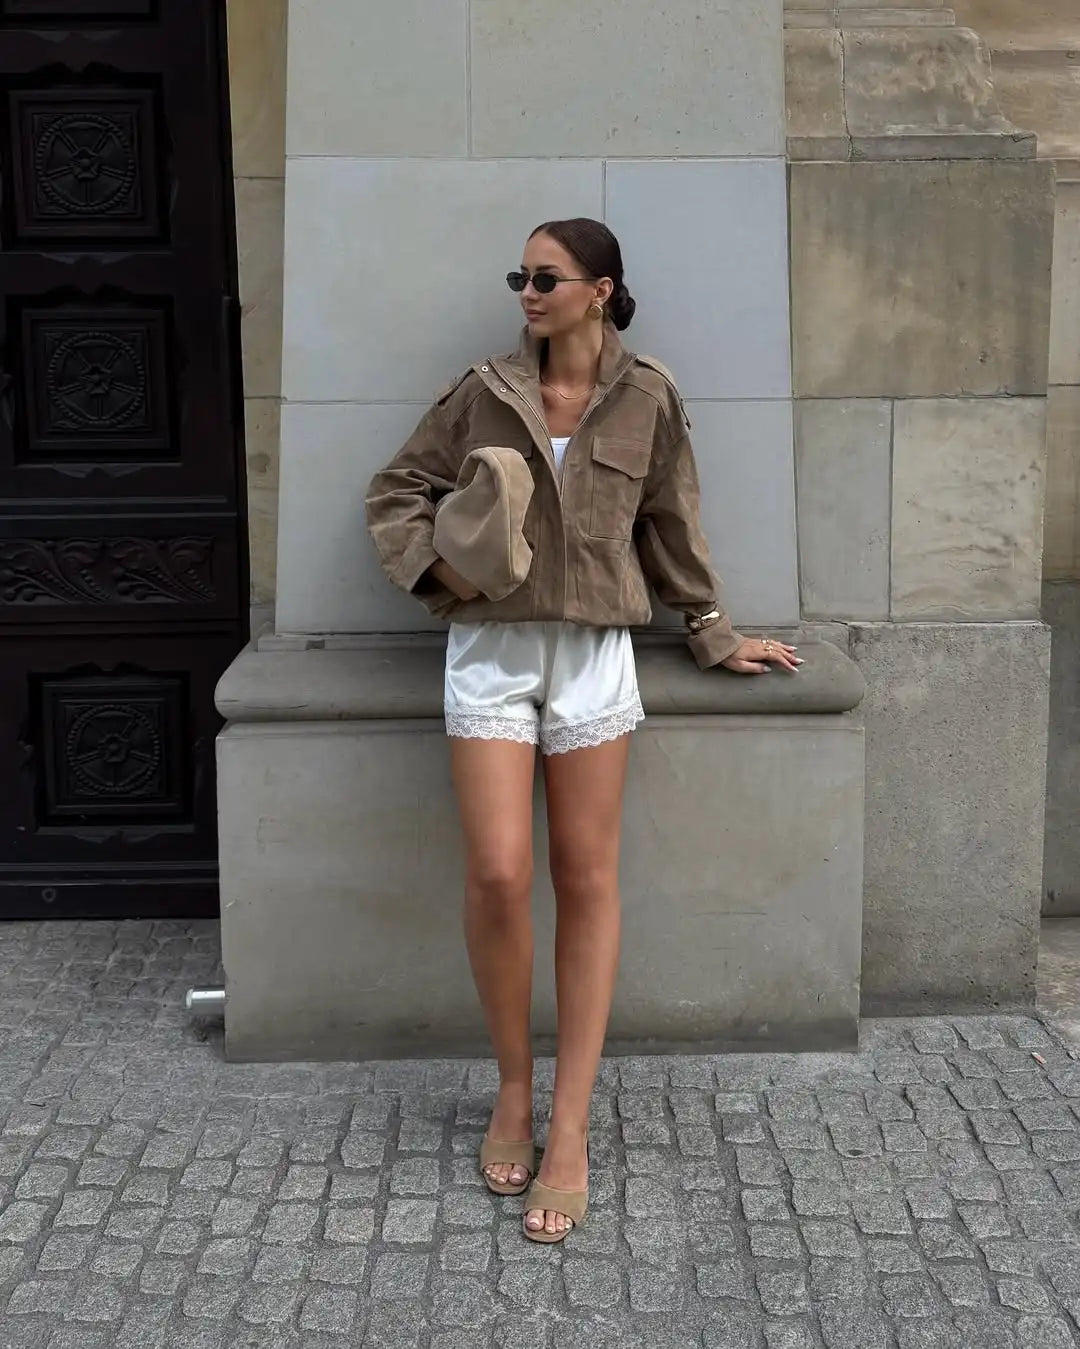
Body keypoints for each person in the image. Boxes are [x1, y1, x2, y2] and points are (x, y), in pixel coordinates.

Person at [365, 218, 800, 1243]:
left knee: (587, 874)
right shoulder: (482, 390)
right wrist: (440, 573)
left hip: (596, 650)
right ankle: (511, 1089)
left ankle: (569, 1123)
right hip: (490, 647)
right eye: (519, 274)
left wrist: (712, 630)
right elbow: (397, 493)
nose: (526, 290)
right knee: (501, 874)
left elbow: (672, 522)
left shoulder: (648, 394)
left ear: (600, 289)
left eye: (545, 277)